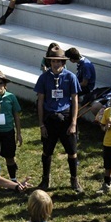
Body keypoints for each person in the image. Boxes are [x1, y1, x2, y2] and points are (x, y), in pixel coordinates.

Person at [35, 47, 82, 192]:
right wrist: (41, 124)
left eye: (58, 61)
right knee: (47, 151)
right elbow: (40, 101)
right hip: (50, 117)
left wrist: (73, 123)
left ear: (63, 62)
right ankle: (45, 180)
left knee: (72, 151)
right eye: (53, 61)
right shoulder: (44, 78)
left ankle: (74, 180)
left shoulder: (70, 77)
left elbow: (75, 100)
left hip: (66, 117)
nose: (56, 64)